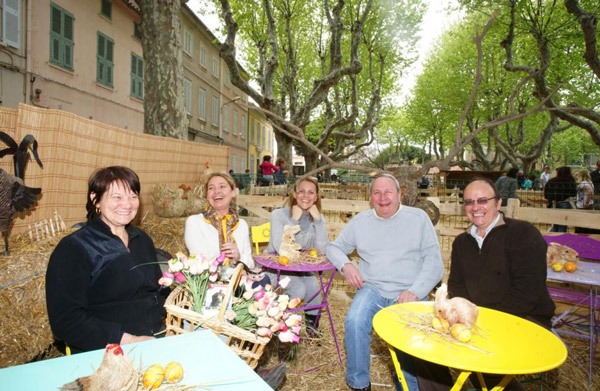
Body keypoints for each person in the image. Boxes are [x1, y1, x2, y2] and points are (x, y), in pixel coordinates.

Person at [326, 173, 445, 391]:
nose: (383, 197)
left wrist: (416, 291)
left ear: (400, 195)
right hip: (372, 288)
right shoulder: (360, 222)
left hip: (408, 291)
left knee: (405, 336)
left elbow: (435, 264)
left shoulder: (418, 219)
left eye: (388, 192)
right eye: (377, 192)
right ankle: (359, 383)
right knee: (354, 320)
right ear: (370, 197)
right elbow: (333, 248)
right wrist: (346, 265)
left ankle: (408, 387)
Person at [447, 178, 555, 390]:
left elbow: (527, 292)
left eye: (482, 200)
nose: (475, 207)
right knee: (428, 349)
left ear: (498, 203)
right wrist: (463, 317)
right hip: (477, 321)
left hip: (525, 320)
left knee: (481, 358)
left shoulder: (523, 234)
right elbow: (456, 285)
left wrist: (484, 322)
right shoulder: (461, 242)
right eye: (469, 202)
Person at [46, 166, 166, 353]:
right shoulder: (75, 248)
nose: (127, 204)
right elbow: (66, 320)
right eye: (117, 197)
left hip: (155, 337)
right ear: (96, 200)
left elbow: (157, 291)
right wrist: (126, 340)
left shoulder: (142, 240)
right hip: (108, 351)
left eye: (133, 196)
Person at [265, 176, 328, 333]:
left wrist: (319, 222)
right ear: (294, 194)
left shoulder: (317, 220)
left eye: (311, 192)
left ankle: (312, 331)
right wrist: (293, 220)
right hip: (277, 268)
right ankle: (283, 330)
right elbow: (280, 248)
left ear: (316, 197)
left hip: (301, 269)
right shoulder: (279, 215)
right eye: (301, 191)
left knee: (313, 286)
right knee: (299, 289)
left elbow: (322, 250)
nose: (306, 196)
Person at [185, 172, 256, 273]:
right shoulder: (195, 222)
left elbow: (251, 264)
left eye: (222, 186)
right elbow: (199, 264)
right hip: (209, 283)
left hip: (239, 281)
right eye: (211, 188)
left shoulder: (242, 225)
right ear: (207, 195)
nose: (217, 191)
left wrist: (238, 257)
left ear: (233, 192)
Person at [544, 166, 577, 232]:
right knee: (563, 225)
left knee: (555, 224)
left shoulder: (551, 181)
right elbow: (574, 193)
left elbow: (546, 194)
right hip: (566, 203)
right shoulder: (571, 181)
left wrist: (551, 199)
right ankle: (560, 240)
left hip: (553, 204)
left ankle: (553, 239)